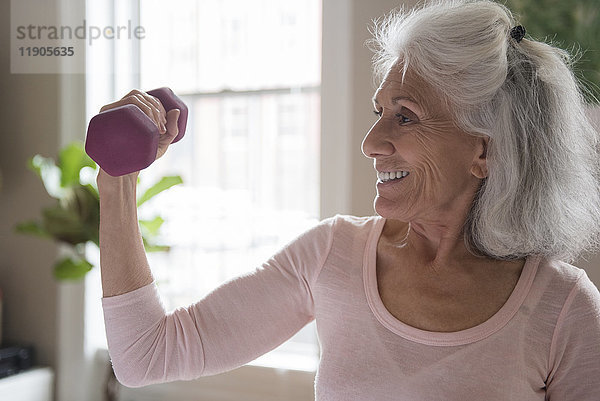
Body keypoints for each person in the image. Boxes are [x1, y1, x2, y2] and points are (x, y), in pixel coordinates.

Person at [98, 0, 600, 399]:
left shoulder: (563, 309)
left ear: (483, 149)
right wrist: (117, 182)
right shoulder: (331, 255)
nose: (371, 142)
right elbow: (146, 356)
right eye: (379, 110)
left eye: (406, 116)